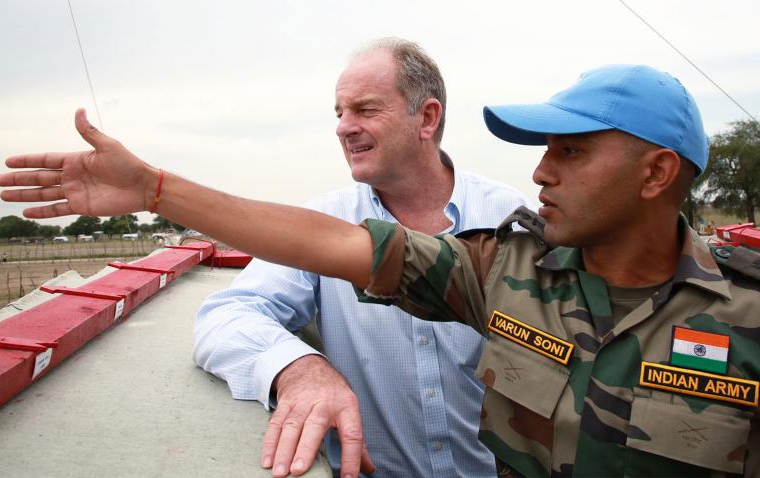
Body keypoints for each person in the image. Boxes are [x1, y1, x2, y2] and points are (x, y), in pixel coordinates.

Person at [0, 64, 760, 478]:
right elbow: (326, 241)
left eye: (571, 153)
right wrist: (154, 189)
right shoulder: (504, 271)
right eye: (542, 152)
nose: (543, 172)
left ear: (658, 174)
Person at [192, 38, 530, 477]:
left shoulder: (513, 219)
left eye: (365, 110)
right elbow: (225, 316)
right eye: (339, 113)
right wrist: (299, 369)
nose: (343, 128)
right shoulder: (325, 224)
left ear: (427, 118)